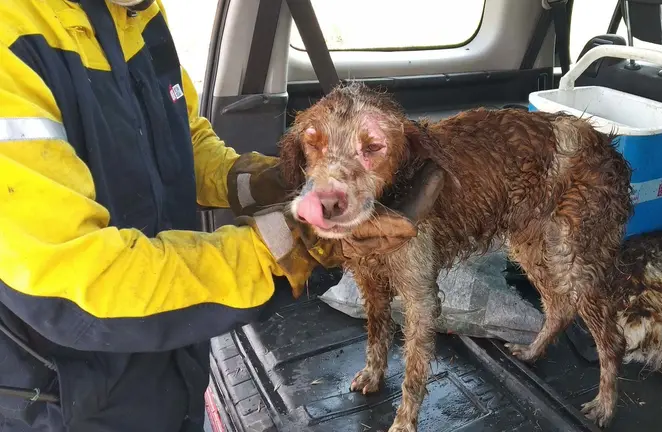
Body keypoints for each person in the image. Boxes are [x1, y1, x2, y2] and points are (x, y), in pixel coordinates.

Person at [0, 1, 444, 430]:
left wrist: (270, 181)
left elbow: (182, 139)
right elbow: (83, 279)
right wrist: (305, 242)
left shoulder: (139, 12)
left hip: (177, 350)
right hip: (72, 392)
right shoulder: (12, 41)